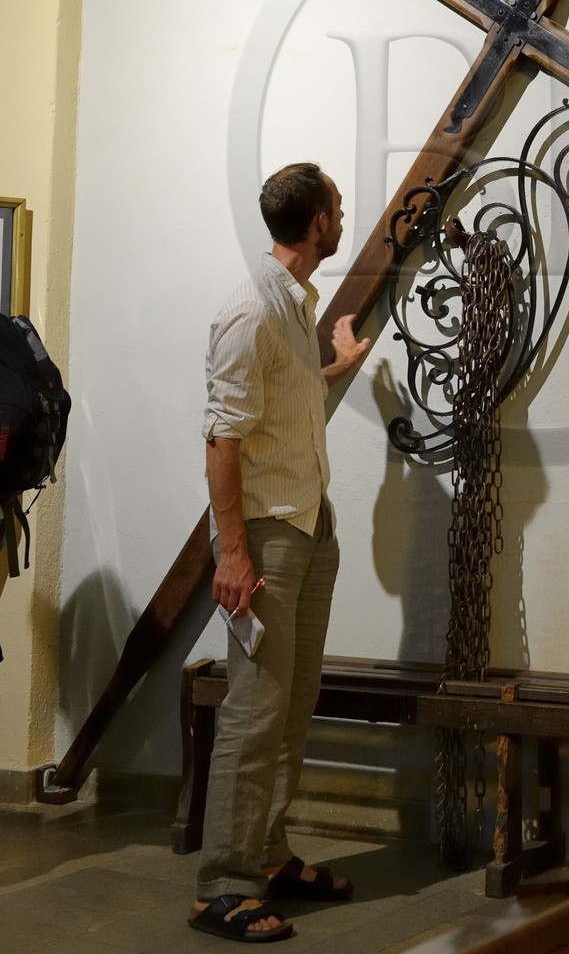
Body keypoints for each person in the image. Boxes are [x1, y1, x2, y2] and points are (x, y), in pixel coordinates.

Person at [189, 163, 371, 944]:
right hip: (263, 538)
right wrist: (233, 552)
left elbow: (286, 401)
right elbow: (222, 438)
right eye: (339, 205)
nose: (343, 214)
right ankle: (222, 886)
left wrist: (340, 365)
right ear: (319, 222)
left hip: (305, 527)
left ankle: (267, 855)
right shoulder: (251, 312)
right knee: (255, 711)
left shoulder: (294, 307)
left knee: (291, 707)